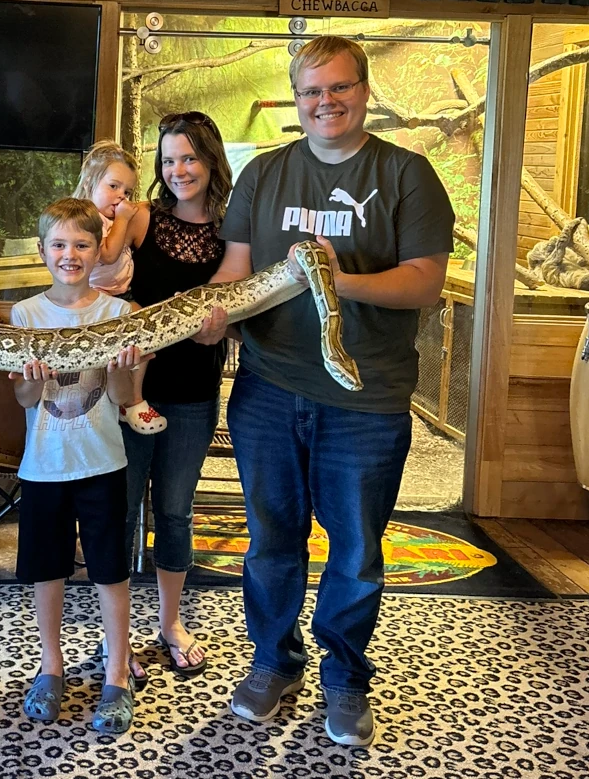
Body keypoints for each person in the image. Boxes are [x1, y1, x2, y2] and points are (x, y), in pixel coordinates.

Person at [198, 36, 454, 746]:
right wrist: (206, 315)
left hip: (365, 397)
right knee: (271, 539)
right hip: (270, 387)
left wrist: (330, 279)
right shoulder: (266, 175)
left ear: (364, 92)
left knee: (355, 548)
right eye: (311, 91)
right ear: (296, 99)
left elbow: (425, 281)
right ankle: (273, 660)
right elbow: (237, 273)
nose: (324, 103)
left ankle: (345, 675)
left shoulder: (406, 175)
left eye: (338, 88)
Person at [10, 197, 148, 733]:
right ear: (43, 250)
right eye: (60, 245)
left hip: (102, 461)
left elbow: (123, 394)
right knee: (48, 572)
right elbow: (24, 398)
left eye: (82, 245)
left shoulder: (119, 314)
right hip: (44, 465)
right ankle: (51, 668)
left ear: (99, 252)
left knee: (110, 572)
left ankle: (117, 672)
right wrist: (32, 373)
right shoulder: (24, 315)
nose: (70, 255)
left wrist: (122, 367)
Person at [120, 112, 233, 678]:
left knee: (174, 511)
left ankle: (169, 623)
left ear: (210, 158)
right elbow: (99, 273)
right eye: (168, 159)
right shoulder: (142, 219)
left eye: (188, 157)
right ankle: (114, 637)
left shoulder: (234, 227)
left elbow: (243, 310)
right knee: (118, 512)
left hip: (193, 392)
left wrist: (227, 326)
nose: (178, 169)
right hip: (128, 393)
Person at [72, 140, 165, 435]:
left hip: (120, 296)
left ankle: (130, 398)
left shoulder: (110, 216)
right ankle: (133, 400)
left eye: (126, 192)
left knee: (144, 337)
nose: (120, 197)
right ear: (89, 183)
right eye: (113, 187)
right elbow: (109, 254)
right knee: (142, 329)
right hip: (102, 298)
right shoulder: (88, 219)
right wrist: (125, 217)